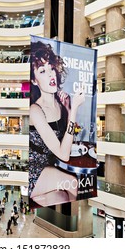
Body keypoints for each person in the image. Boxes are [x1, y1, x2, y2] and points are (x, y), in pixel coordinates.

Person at [29, 40, 85, 207]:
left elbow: (67, 142)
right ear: (34, 80)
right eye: (42, 71)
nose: (51, 75)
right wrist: (74, 110)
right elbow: (64, 154)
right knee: (73, 182)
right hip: (34, 170)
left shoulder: (60, 104)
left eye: (51, 68)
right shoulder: (35, 110)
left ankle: (41, 198)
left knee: (61, 197)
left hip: (50, 166)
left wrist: (68, 111)